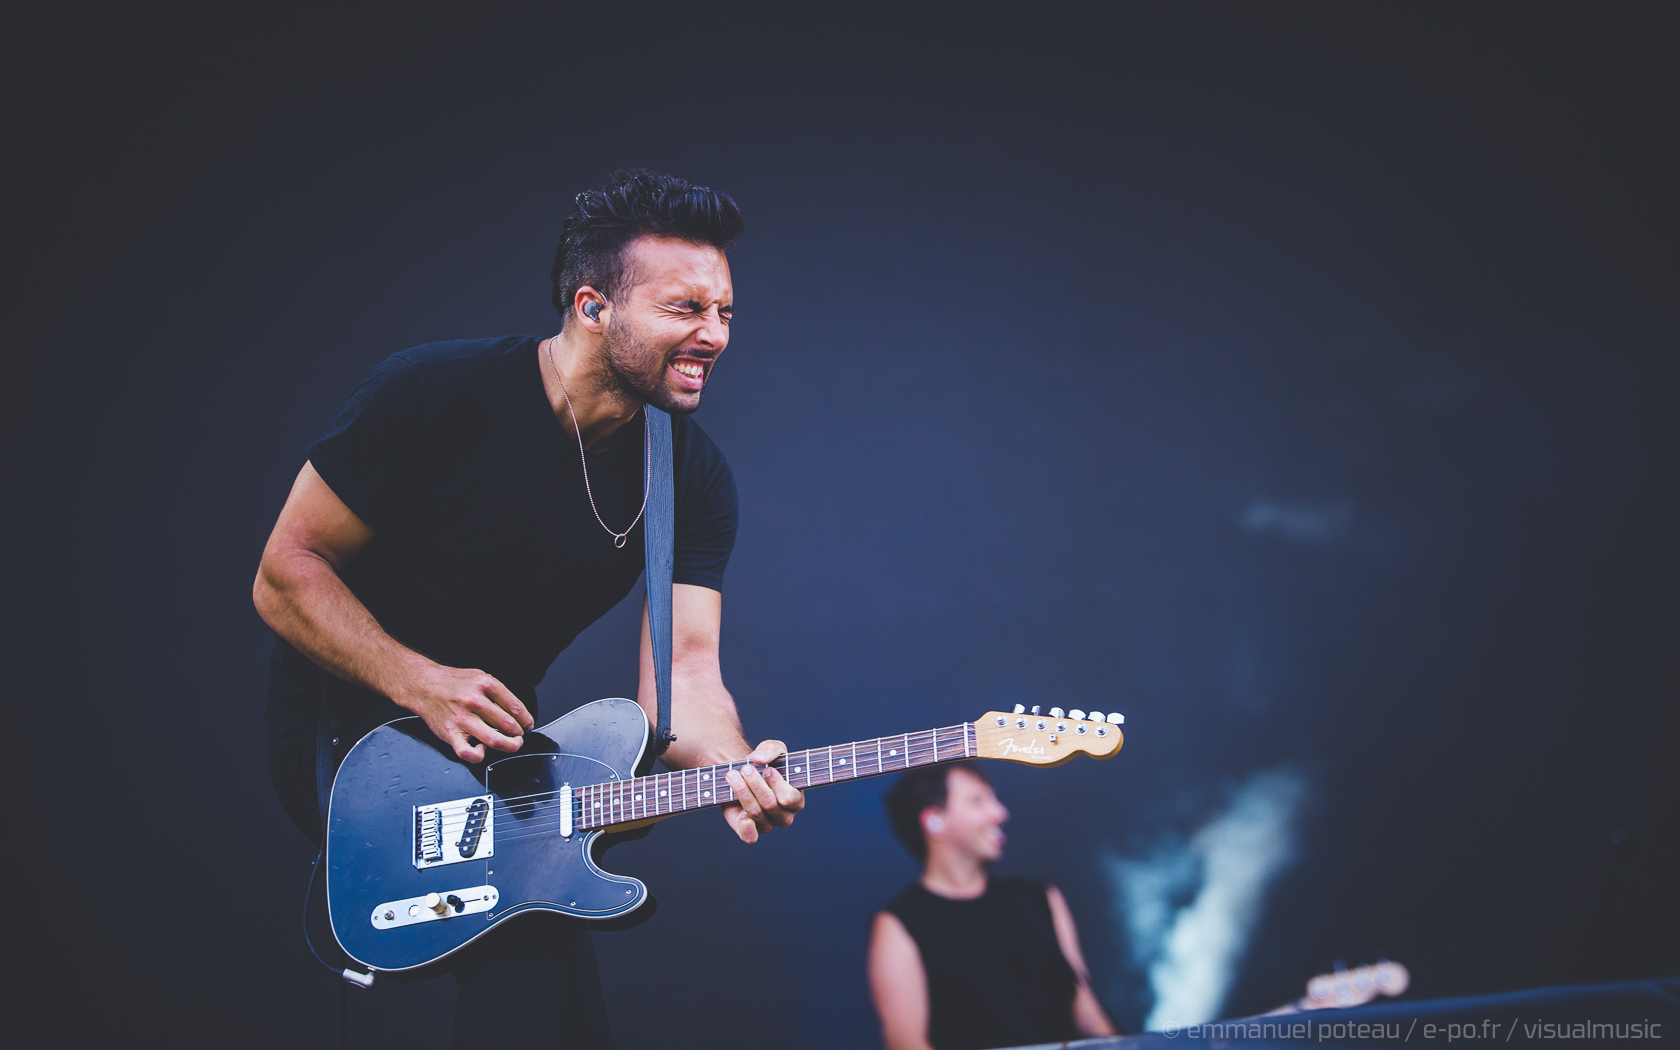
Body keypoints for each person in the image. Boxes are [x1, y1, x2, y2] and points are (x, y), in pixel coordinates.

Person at [253, 169, 803, 1049]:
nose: (715, 335)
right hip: (349, 733)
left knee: (544, 976)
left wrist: (735, 768)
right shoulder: (434, 391)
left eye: (725, 311)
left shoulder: (689, 477)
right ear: (593, 307)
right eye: (686, 308)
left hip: (502, 749)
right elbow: (286, 572)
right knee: (537, 960)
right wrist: (419, 681)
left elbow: (687, 673)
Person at [869, 763, 1117, 1050]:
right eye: (978, 801)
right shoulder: (898, 924)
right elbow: (907, 1043)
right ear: (934, 820)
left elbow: (1088, 1015)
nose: (1000, 813)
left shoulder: (1040, 900)